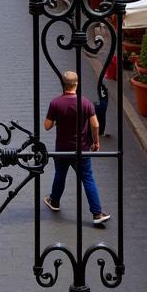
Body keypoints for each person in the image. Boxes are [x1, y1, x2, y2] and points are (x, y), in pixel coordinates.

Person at [43, 71, 110, 224]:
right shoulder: (85, 102)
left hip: (62, 148)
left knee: (60, 175)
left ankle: (54, 201)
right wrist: (96, 142)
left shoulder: (55, 103)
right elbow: (95, 124)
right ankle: (97, 213)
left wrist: (55, 119)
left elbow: (47, 126)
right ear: (77, 84)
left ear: (63, 84)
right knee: (87, 179)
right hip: (81, 149)